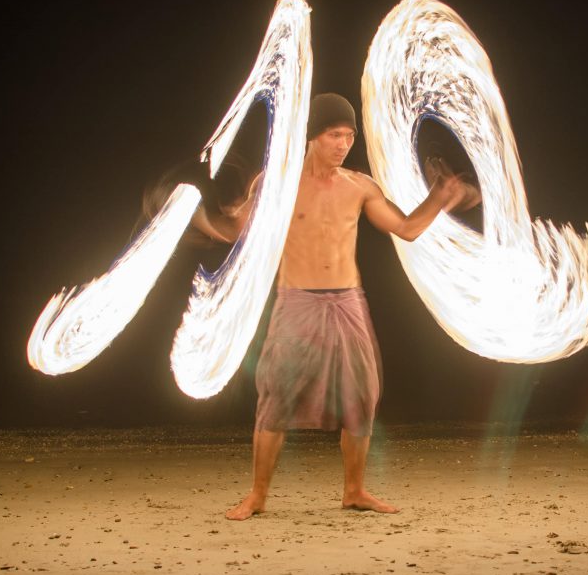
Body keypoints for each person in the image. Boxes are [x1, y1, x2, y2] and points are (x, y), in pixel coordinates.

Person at [190, 93, 475, 520]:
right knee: (276, 397)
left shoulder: (359, 187)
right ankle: (257, 497)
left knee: (363, 397)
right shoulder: (278, 183)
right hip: (297, 301)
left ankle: (355, 491)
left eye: (349, 135)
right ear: (313, 137)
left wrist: (440, 197)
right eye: (333, 135)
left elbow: (407, 228)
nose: (343, 144)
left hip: (347, 301)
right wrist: (196, 217)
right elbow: (235, 229)